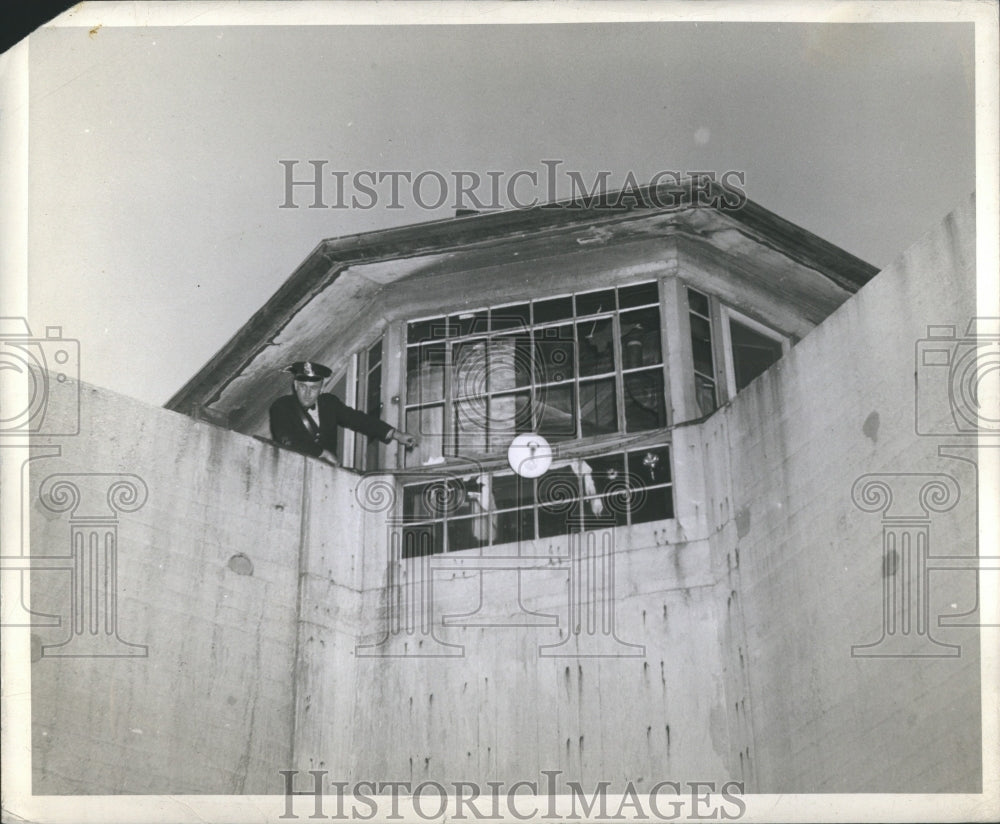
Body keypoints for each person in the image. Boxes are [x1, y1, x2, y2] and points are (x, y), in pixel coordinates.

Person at [269, 361, 417, 466]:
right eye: (303, 387)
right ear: (295, 385)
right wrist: (323, 453)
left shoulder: (329, 403)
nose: (307, 393)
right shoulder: (282, 406)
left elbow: (359, 420)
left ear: (322, 388)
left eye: (313, 388)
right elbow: (287, 440)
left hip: (325, 475)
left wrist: (396, 434)